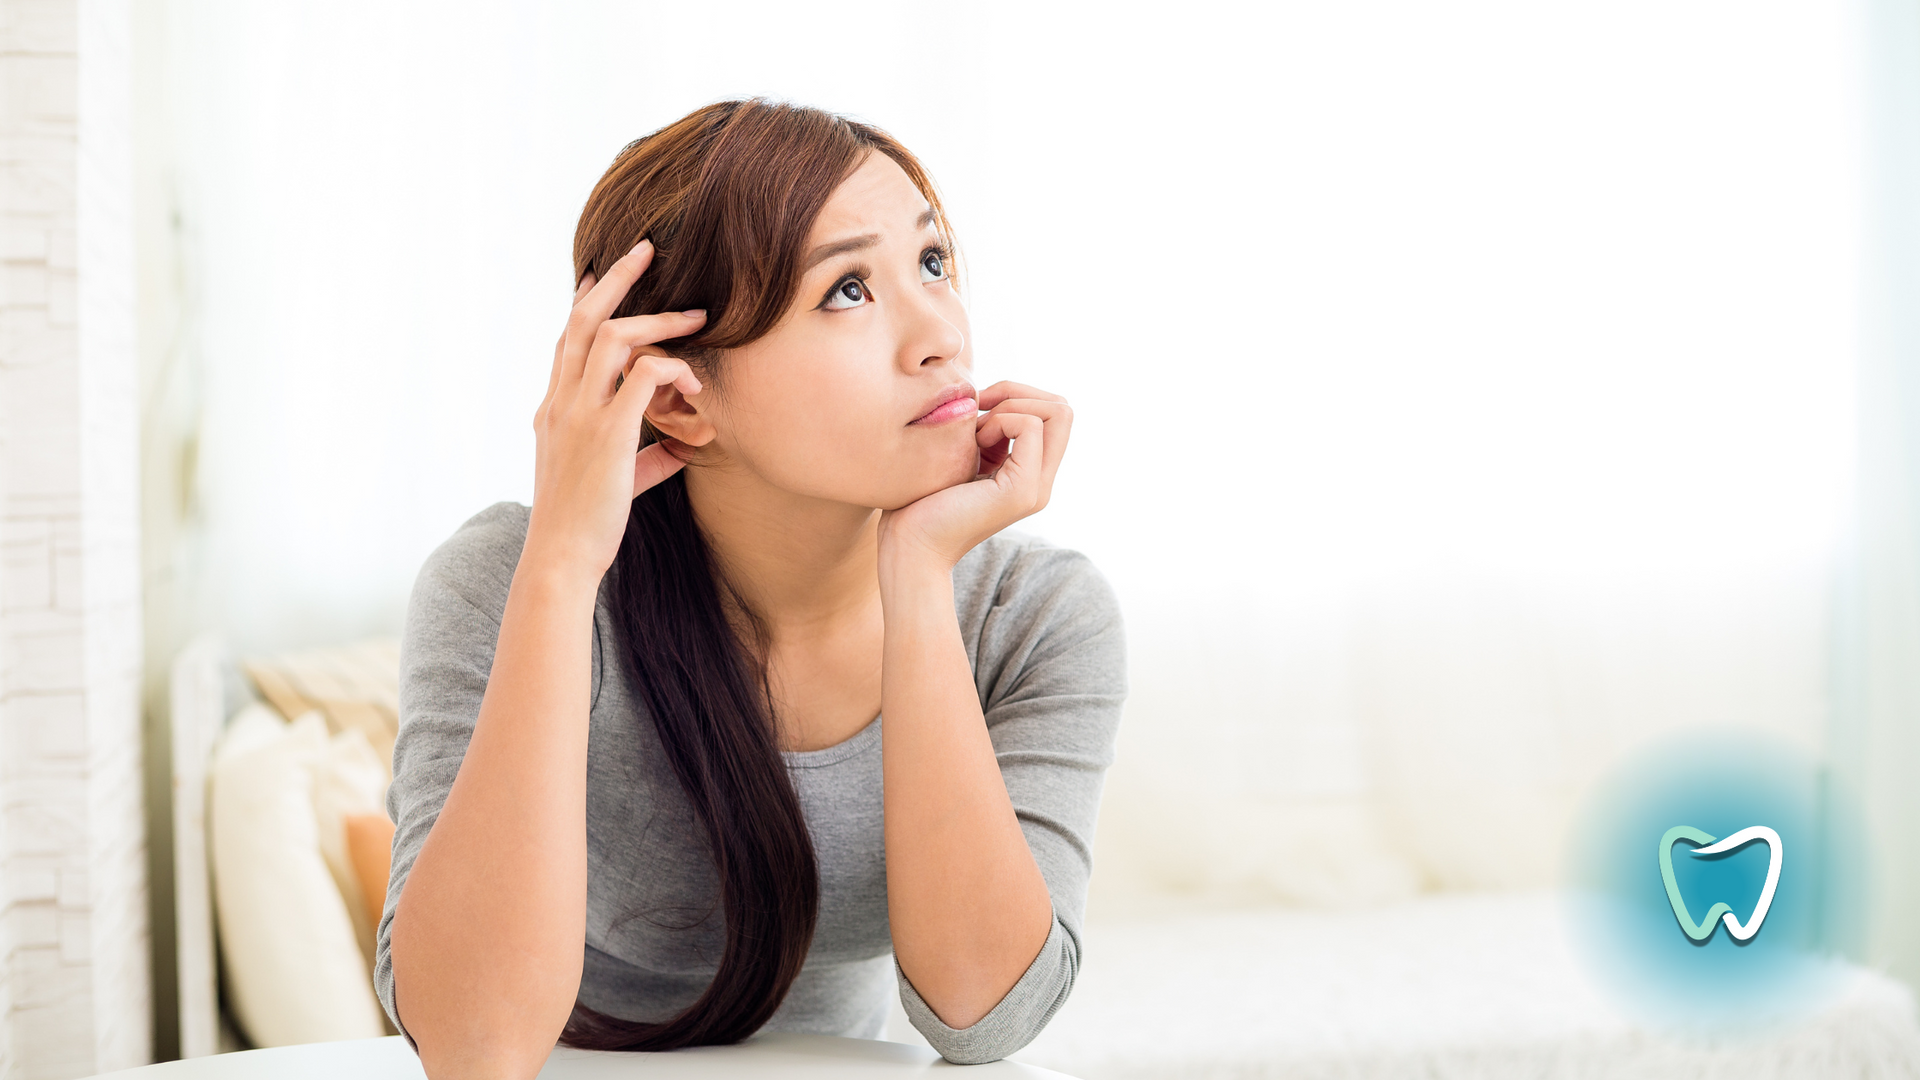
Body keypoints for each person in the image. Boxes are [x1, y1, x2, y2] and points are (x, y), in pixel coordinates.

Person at [375, 99, 1126, 1079]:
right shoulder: (512, 581)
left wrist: (917, 581)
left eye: (932, 263)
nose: (941, 333)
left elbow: (980, 1018)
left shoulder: (1032, 614)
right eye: (849, 289)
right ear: (682, 400)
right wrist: (560, 569)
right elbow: (474, 1047)